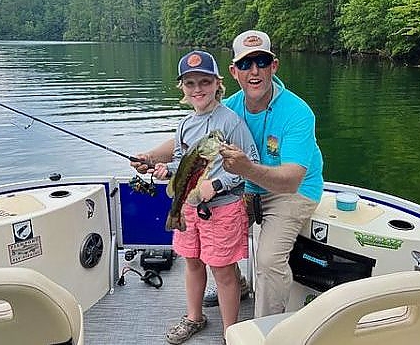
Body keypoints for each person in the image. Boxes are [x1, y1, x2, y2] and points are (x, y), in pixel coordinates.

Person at [132, 30, 323, 319]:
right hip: (245, 187)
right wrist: (151, 157)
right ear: (234, 72)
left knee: (269, 261)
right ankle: (237, 284)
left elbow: (292, 179)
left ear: (274, 66)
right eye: (246, 64)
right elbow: (191, 147)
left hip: (289, 193)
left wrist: (243, 171)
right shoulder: (230, 106)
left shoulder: (297, 113)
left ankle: (261, 330)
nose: (254, 71)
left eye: (261, 62)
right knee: (222, 238)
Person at [150, 50, 259, 344]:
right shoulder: (185, 124)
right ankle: (195, 317)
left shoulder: (231, 122)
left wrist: (220, 184)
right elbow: (180, 162)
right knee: (193, 263)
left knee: (223, 271)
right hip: (189, 208)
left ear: (217, 84)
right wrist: (165, 169)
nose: (197, 89)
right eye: (190, 84)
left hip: (223, 209)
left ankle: (230, 332)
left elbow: (250, 162)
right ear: (182, 89)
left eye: (204, 82)